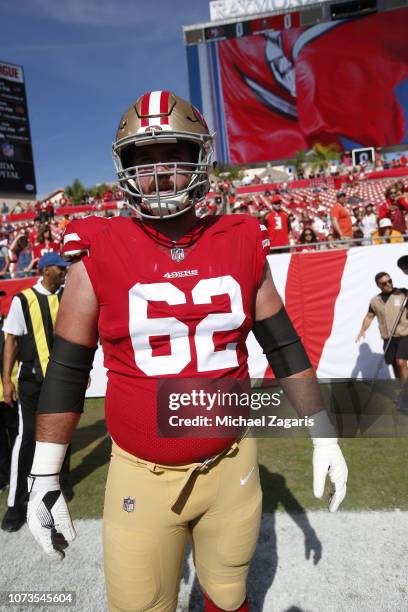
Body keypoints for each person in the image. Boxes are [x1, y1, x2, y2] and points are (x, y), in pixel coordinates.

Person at [25, 91, 347, 612]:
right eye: (142, 159)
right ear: (123, 168)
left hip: (233, 463)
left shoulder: (241, 236)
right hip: (141, 475)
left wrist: (323, 431)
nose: (158, 172)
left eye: (172, 153)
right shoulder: (97, 247)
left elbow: (283, 345)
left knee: (229, 596)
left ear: (200, 157)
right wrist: (45, 471)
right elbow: (67, 369)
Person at [1, 252, 71, 532]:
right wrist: (7, 380)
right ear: (45, 270)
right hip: (31, 381)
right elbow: (11, 342)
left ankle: (59, 488)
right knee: (27, 436)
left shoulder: (66, 297)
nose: (64, 271)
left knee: (60, 435)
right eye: (59, 267)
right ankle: (15, 506)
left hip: (61, 380)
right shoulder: (23, 299)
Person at [356, 272, 408, 381]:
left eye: (390, 281)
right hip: (388, 339)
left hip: (404, 335)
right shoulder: (375, 301)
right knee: (394, 364)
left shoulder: (403, 294)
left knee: (401, 362)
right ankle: (402, 389)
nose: (389, 284)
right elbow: (369, 317)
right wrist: (362, 331)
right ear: (378, 285)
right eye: (384, 283)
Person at [0, 290, 19, 494]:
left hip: (10, 390)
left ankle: (17, 476)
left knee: (16, 437)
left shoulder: (8, 326)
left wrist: (9, 383)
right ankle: (4, 477)